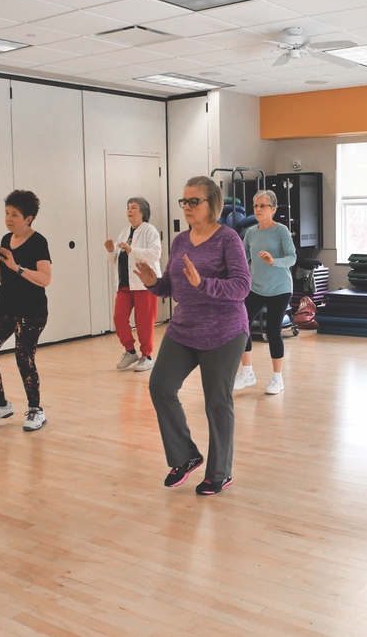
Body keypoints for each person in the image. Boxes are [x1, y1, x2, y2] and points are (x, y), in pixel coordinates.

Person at [134, 176, 251, 496]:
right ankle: (185, 457)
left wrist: (204, 284)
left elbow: (242, 287)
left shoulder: (228, 240)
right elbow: (171, 288)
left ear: (213, 204)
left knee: (216, 401)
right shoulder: (181, 241)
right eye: (183, 202)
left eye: (193, 201)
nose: (186, 207)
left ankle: (219, 472)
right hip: (185, 329)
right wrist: (151, 282)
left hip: (225, 331)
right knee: (160, 386)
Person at [0, 190, 52, 431]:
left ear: (28, 218)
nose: (9, 218)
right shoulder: (6, 240)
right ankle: (0, 404)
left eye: (15, 214)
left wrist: (17, 267)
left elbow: (46, 279)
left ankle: (36, 410)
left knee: (24, 358)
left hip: (31, 311)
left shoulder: (38, 242)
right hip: (4, 307)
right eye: (6, 213)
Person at [234, 190, 297, 395]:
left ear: (273, 209)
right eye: (255, 206)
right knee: (241, 326)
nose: (258, 209)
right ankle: (247, 373)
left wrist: (273, 261)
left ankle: (277, 379)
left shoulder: (281, 231)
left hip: (280, 288)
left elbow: (292, 258)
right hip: (256, 288)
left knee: (272, 330)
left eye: (263, 206)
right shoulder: (251, 233)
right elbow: (241, 259)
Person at [104, 197, 162, 373]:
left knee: (144, 322)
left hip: (145, 284)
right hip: (125, 284)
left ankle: (147, 356)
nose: (129, 210)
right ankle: (130, 351)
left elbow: (155, 254)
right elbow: (115, 260)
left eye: (133, 207)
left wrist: (132, 250)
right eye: (128, 207)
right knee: (119, 318)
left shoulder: (150, 231)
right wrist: (110, 250)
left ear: (143, 211)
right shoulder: (124, 232)